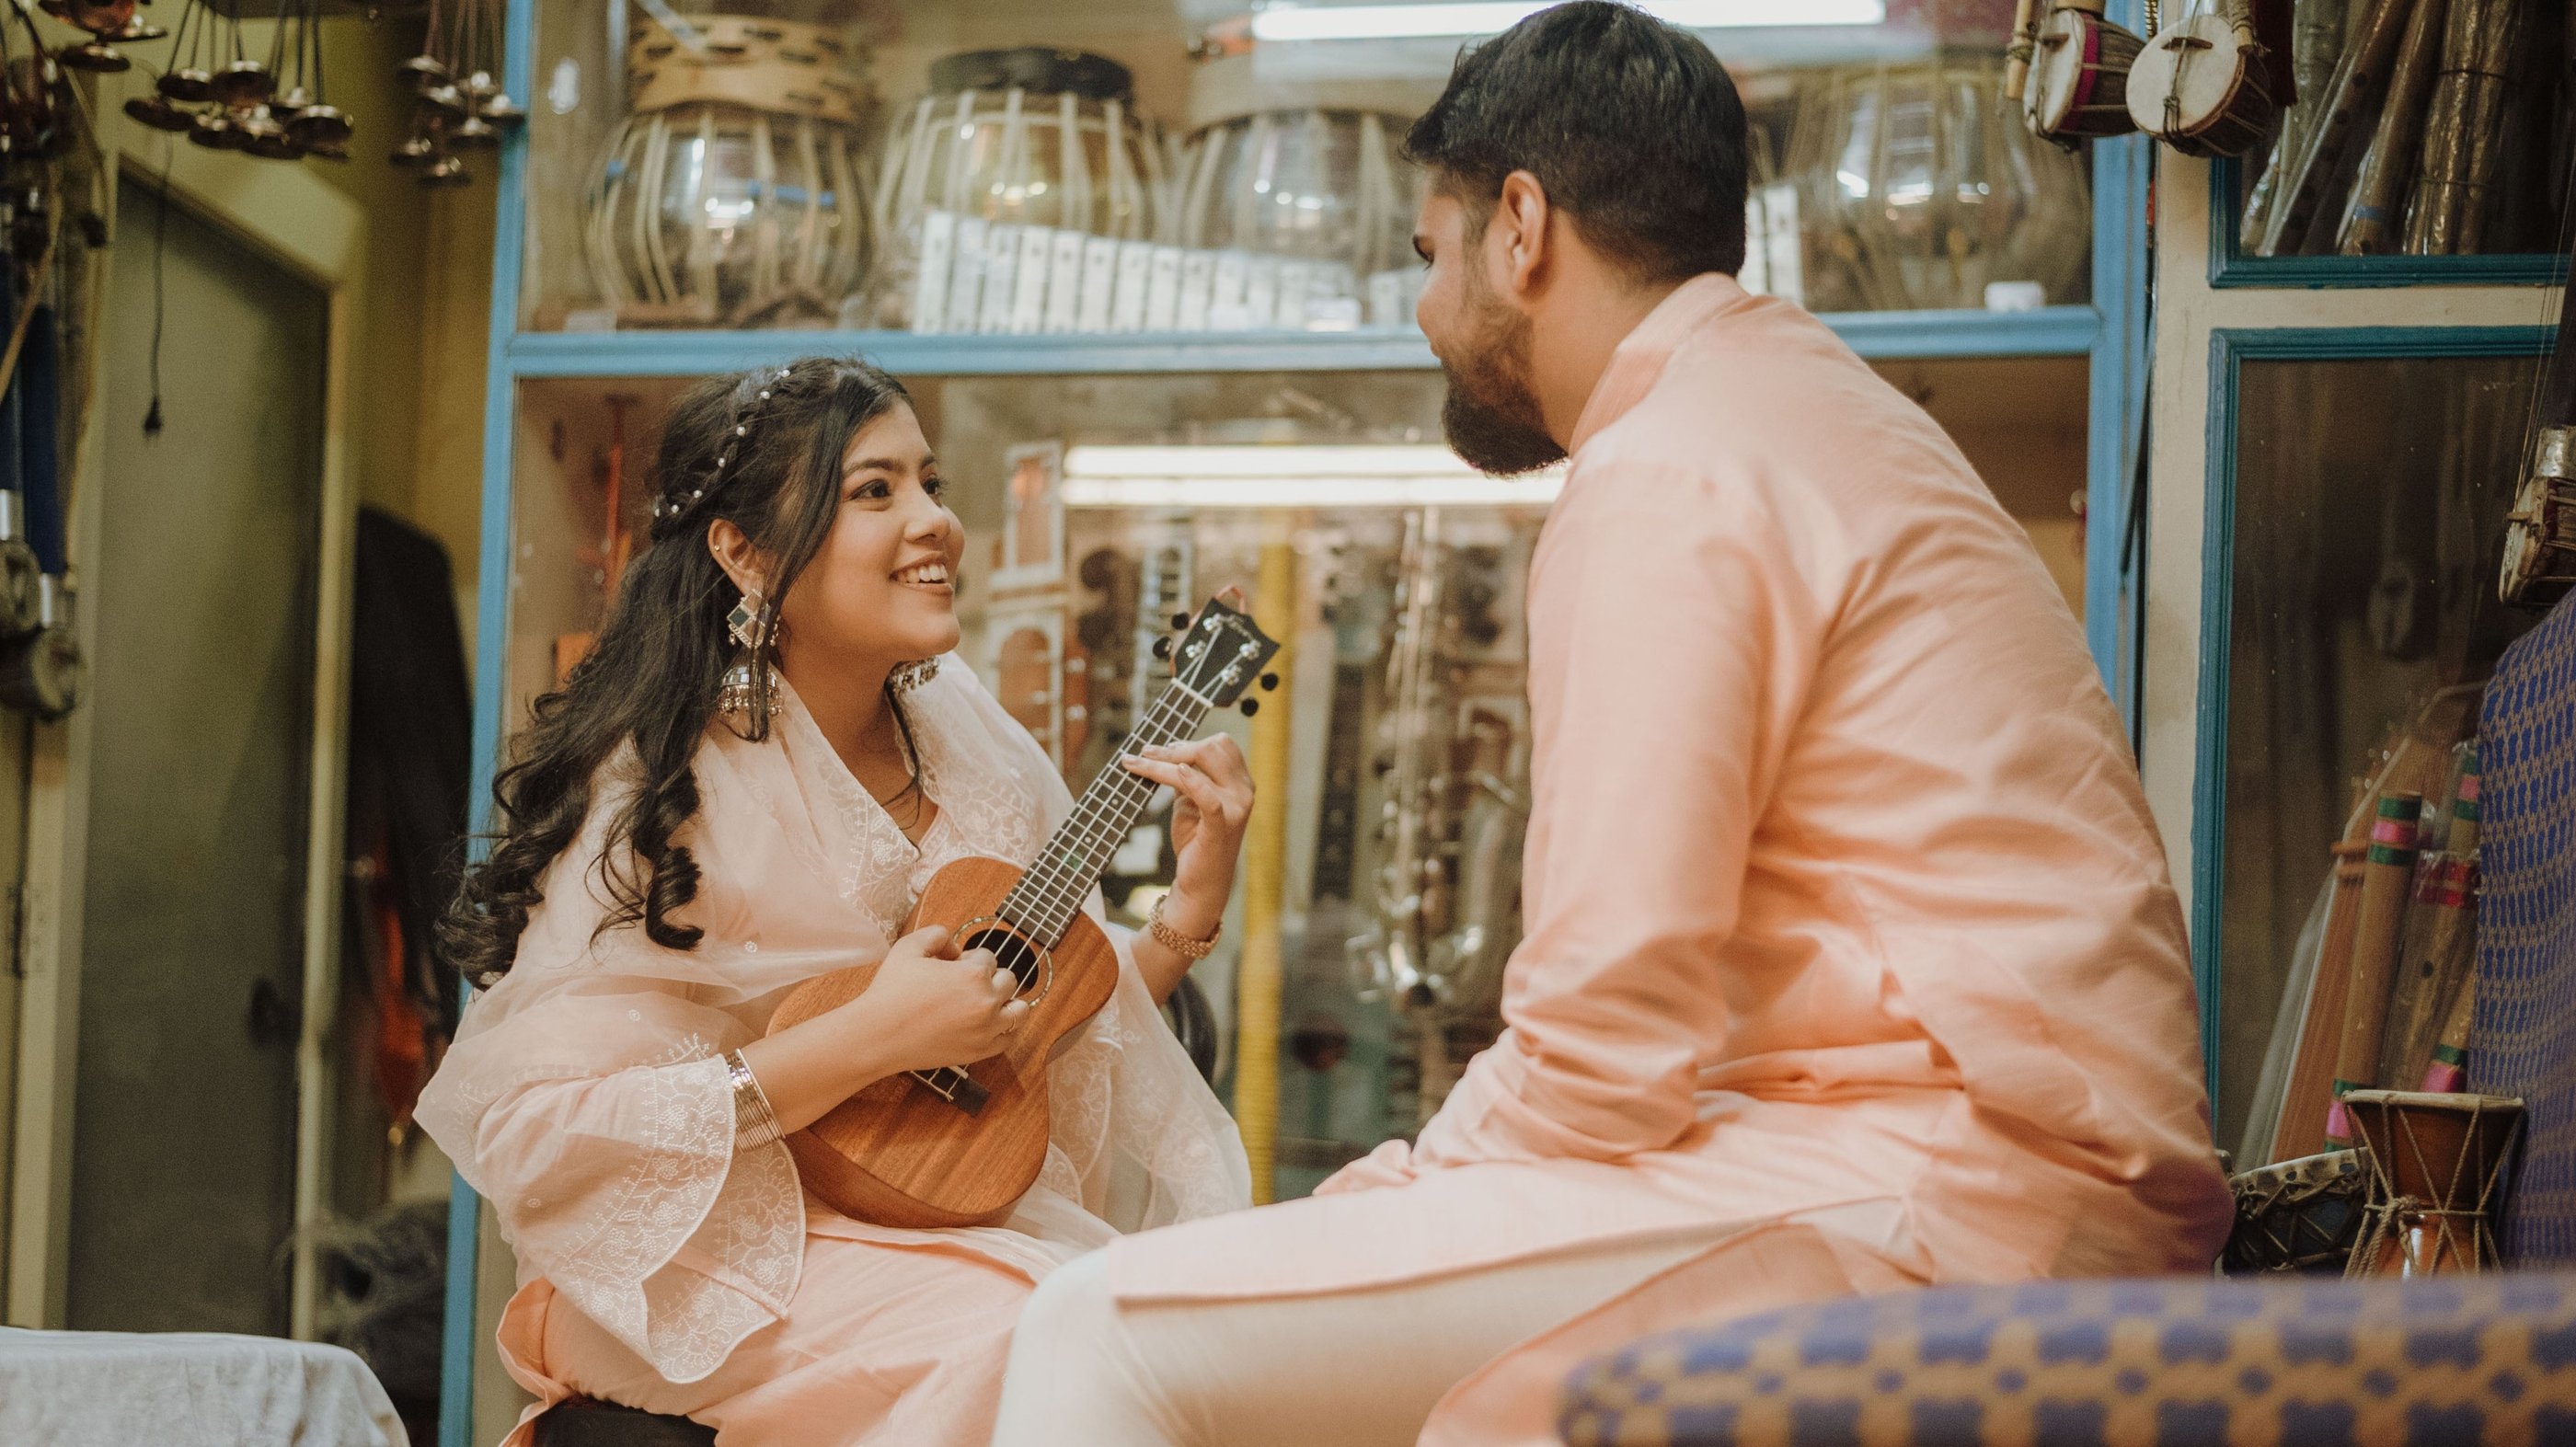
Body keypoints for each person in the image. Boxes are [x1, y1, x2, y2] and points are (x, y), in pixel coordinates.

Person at [990, 7, 2233, 1444]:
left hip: (1959, 1185)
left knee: (1102, 1329)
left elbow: (1603, 1049)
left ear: (1522, 225)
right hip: (1989, 1165)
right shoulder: (1810, 405)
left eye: (1427, 252)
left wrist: (1380, 1197)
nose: (1423, 306)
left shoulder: (1673, 467)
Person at [417, 358, 1253, 1447]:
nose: (936, 522)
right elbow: (540, 1132)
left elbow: (1021, 1048)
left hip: (938, 1227)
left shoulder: (970, 749)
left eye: (931, 483)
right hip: (701, 1268)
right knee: (1049, 1337)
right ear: (745, 550)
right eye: (876, 491)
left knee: (1184, 1323)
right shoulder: (661, 785)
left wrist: (1187, 912)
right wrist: (862, 1038)